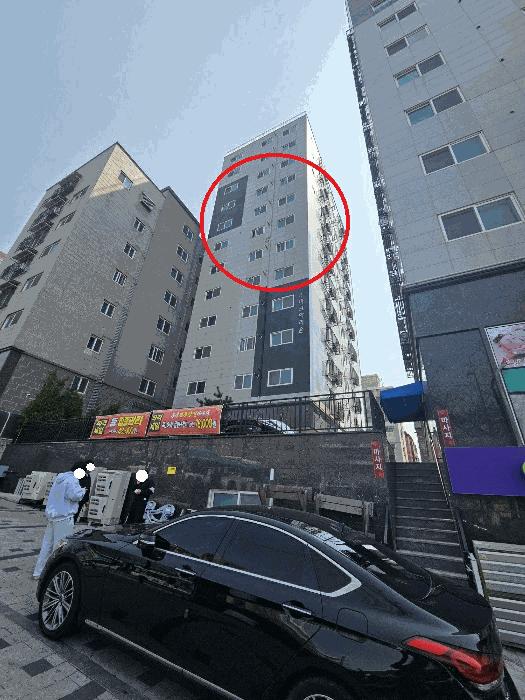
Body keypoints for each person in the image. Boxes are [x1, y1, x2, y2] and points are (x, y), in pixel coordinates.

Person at [32, 464, 85, 579]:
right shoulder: (73, 480)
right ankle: (54, 574)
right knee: (60, 546)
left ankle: (38, 572)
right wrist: (82, 491)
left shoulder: (60, 478)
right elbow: (75, 496)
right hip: (64, 516)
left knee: (47, 545)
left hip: (53, 515)